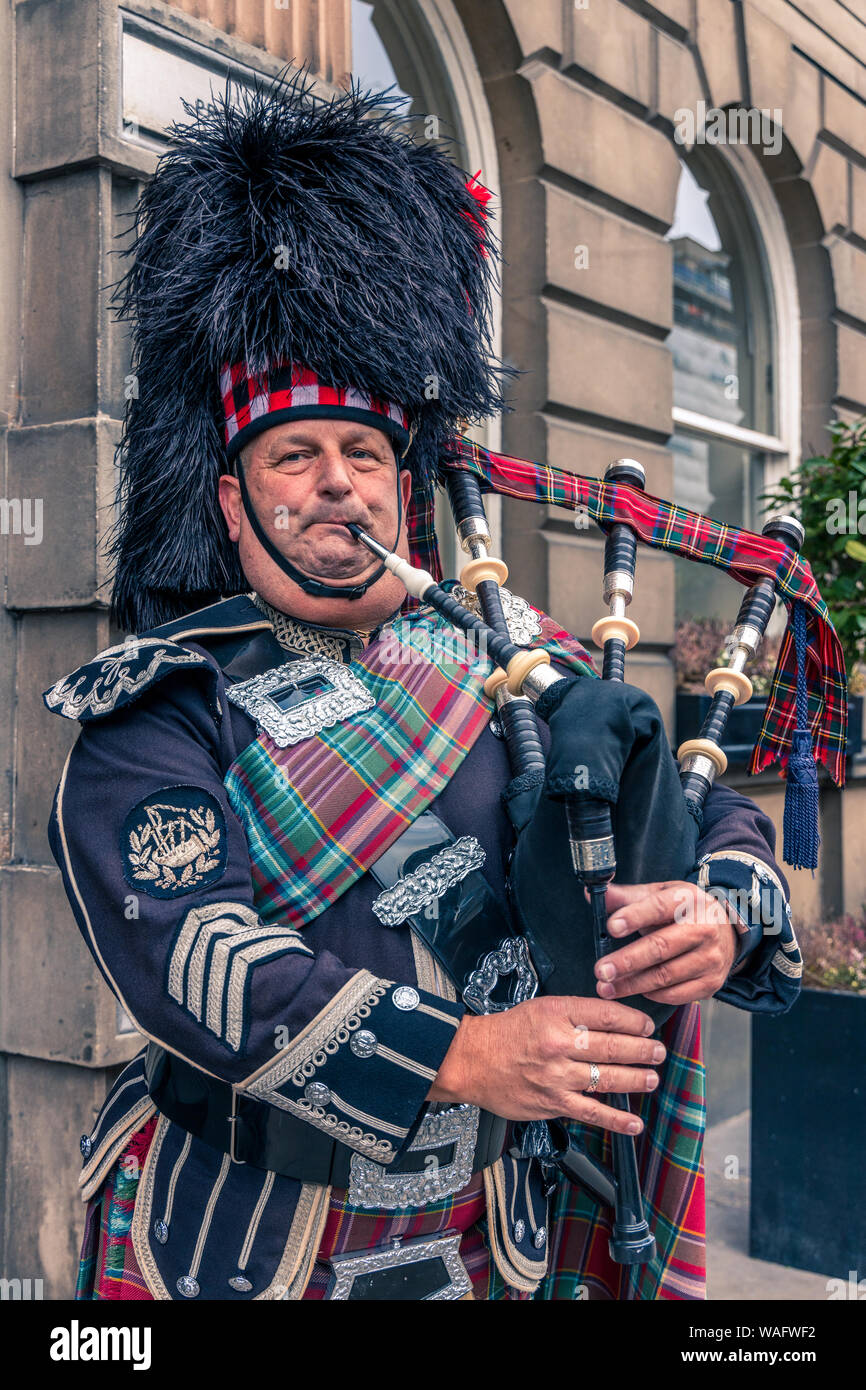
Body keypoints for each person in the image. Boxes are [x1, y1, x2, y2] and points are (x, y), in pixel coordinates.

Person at [44, 73, 804, 1302]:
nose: (337, 483)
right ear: (234, 504)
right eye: (294, 455)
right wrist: (455, 1053)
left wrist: (720, 908)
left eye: (364, 455)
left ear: (406, 494)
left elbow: (720, 824)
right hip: (247, 1239)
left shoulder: (517, 659)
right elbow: (195, 956)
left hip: (492, 1232)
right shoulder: (158, 704)